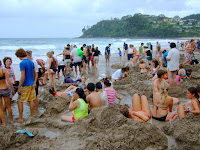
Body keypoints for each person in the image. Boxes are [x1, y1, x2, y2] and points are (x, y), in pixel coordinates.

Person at [15, 48, 36, 122]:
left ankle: (20, 118)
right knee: (31, 100)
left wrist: (19, 86)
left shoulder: (22, 63)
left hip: (25, 84)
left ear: (19, 56)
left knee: (20, 101)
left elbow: (23, 76)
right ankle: (32, 115)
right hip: (31, 83)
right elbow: (34, 73)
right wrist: (34, 81)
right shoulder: (31, 62)